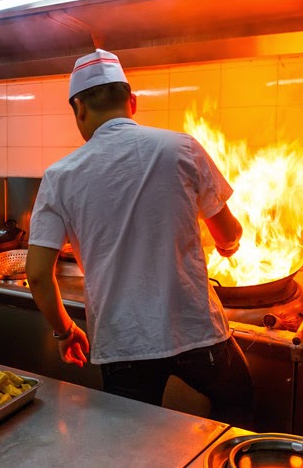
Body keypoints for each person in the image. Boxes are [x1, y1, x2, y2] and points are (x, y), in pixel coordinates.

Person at [26, 49, 254, 428]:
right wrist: (229, 247)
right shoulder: (182, 148)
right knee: (238, 402)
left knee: (131, 441)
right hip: (197, 333)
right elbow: (228, 234)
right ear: (132, 102)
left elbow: (37, 274)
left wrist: (65, 331)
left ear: (79, 109)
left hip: (122, 344)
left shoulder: (60, 176)